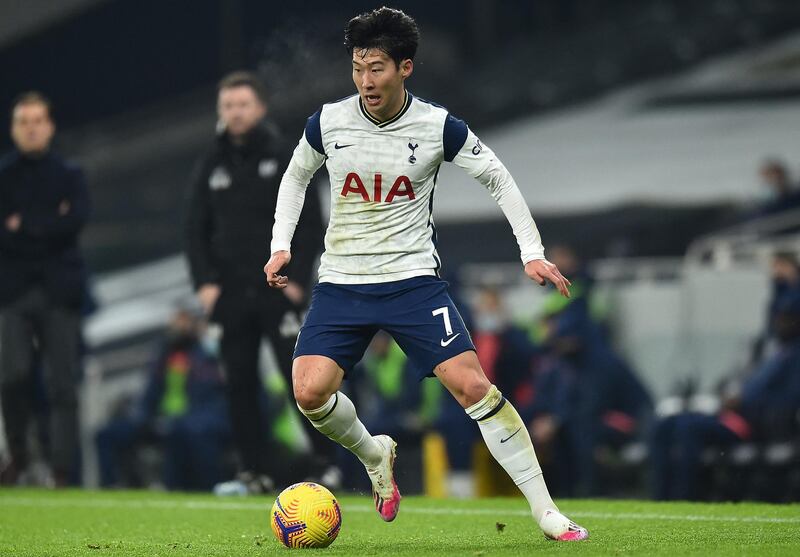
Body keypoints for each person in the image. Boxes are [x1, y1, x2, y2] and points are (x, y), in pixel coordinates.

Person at [264, 7, 588, 541]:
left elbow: (499, 179)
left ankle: (546, 511)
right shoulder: (328, 122)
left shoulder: (438, 127)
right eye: (357, 68)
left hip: (413, 280)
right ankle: (375, 456)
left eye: (377, 69)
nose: (366, 81)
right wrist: (281, 247)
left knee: (472, 386)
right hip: (343, 281)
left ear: (405, 68)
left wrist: (531, 251)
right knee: (308, 392)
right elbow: (296, 177)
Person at [185, 71, 327, 489]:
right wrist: (205, 285)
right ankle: (253, 471)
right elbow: (194, 230)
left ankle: (325, 464)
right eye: (228, 106)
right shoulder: (210, 162)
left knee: (301, 380)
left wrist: (299, 277)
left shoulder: (285, 154)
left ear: (260, 108)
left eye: (243, 104)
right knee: (239, 383)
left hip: (278, 288)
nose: (235, 113)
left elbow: (311, 221)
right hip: (230, 293)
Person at [0, 92, 90, 487]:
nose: (31, 127)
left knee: (62, 383)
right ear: (13, 128)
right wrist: (50, 224)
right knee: (13, 374)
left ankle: (61, 468)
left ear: (50, 126)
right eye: (24, 121)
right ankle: (18, 454)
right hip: (13, 292)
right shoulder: (3, 175)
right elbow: (58, 227)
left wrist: (23, 227)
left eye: (38, 120)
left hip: (58, 291)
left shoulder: (71, 174)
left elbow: (76, 222)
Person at [95, 305, 230, 491]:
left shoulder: (206, 356)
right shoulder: (164, 354)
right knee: (105, 435)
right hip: (158, 418)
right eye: (174, 322)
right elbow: (150, 393)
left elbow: (213, 396)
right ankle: (112, 486)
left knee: (183, 432)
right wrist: (141, 416)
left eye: (182, 322)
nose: (176, 327)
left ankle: (183, 488)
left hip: (191, 420)